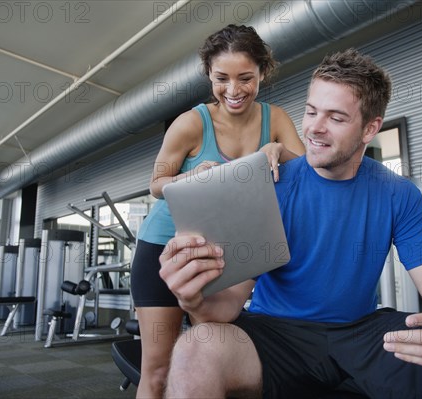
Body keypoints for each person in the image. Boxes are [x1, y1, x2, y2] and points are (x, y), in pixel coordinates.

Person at [158, 49, 422, 398]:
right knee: (196, 346)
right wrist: (192, 299)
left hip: (364, 333)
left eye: (336, 117)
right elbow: (223, 309)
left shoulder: (398, 193)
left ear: (369, 128)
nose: (314, 128)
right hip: (276, 333)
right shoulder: (270, 186)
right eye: (311, 112)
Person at [129, 24, 304, 398]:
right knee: (158, 371)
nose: (234, 90)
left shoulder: (276, 120)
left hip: (227, 253)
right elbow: (156, 184)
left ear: (262, 72)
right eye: (221, 78)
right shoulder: (192, 123)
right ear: (209, 75)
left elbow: (308, 175)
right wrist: (190, 178)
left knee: (208, 362)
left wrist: (278, 151)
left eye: (246, 78)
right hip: (164, 248)